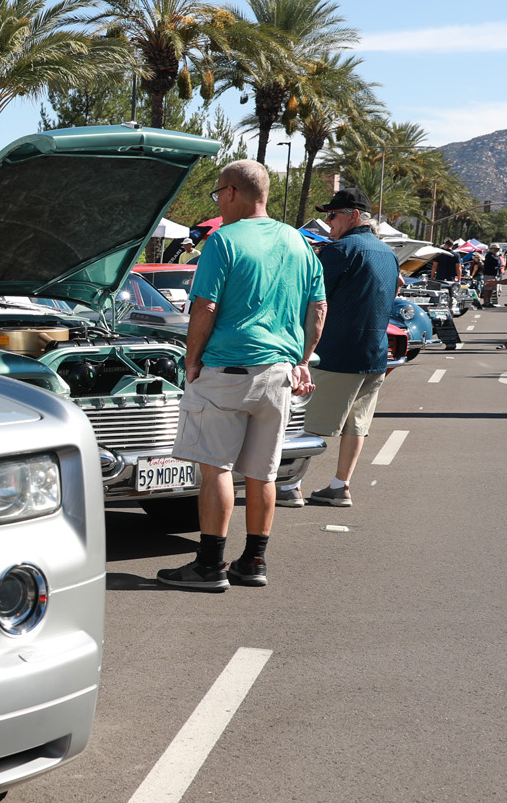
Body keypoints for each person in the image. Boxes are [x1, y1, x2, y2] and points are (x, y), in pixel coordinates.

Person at [157, 159, 325, 592]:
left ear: (231, 192)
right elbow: (319, 308)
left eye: (218, 193)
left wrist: (192, 361)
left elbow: (205, 306)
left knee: (216, 468)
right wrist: (303, 359)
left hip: (228, 370)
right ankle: (253, 561)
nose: (219, 201)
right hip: (279, 373)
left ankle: (210, 564)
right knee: (262, 473)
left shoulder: (223, 240)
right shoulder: (298, 241)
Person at [271, 190, 400, 511]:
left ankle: (289, 485)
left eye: (333, 215)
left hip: (335, 353)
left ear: (353, 216)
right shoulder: (387, 253)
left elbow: (309, 298)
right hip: (374, 354)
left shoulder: (340, 250)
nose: (328, 222)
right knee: (357, 425)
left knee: (302, 421)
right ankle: (340, 486)